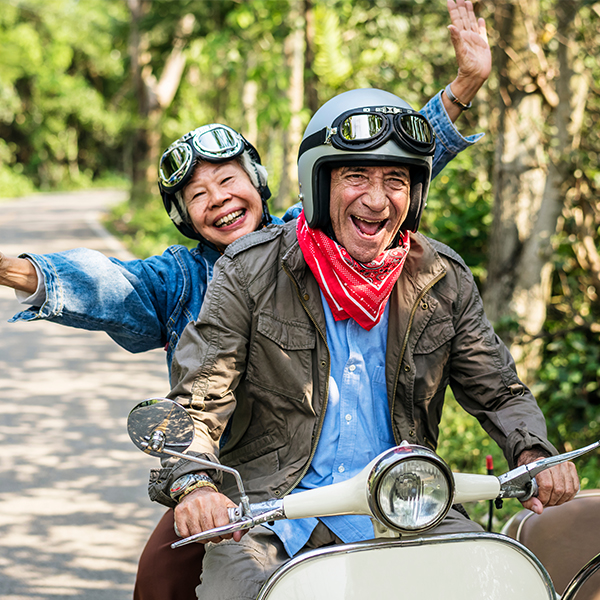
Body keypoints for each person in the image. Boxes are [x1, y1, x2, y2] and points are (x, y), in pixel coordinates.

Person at [0, 3, 493, 597]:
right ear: (186, 217)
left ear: (259, 184)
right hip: (230, 480)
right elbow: (107, 285)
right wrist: (21, 270)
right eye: (198, 194)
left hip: (370, 476)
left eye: (228, 180)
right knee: (159, 579)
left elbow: (382, 174)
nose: (219, 199)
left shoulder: (310, 239)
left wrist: (462, 89)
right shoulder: (180, 278)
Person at [153, 85, 580, 600]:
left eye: (395, 180)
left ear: (414, 193)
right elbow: (199, 403)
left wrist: (533, 448)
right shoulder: (248, 270)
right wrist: (196, 484)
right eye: (356, 176)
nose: (376, 200)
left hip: (411, 504)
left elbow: (498, 390)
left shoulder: (441, 278)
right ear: (318, 184)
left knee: (496, 586)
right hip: (273, 516)